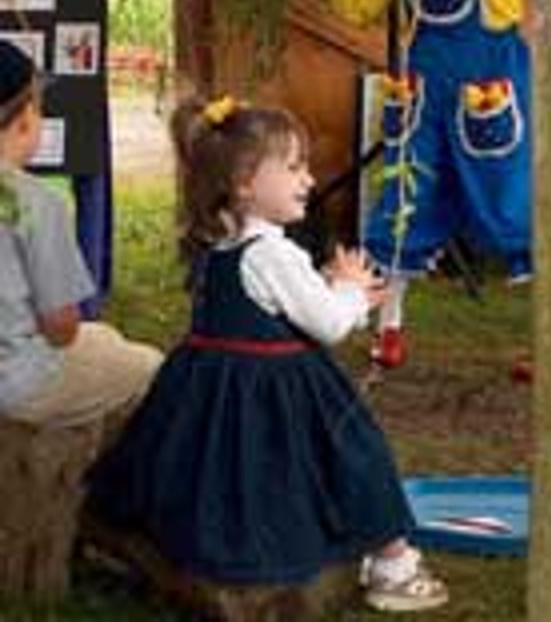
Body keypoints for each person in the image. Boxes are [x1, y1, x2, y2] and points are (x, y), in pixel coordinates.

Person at [86, 96, 448, 613]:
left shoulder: (220, 244)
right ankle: (393, 563)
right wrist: (348, 291)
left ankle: (166, 543)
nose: (308, 177)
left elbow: (269, 306)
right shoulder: (274, 252)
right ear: (244, 182)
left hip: (213, 389)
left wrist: (325, 286)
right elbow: (326, 324)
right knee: (356, 455)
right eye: (294, 165)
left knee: (221, 468)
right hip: (280, 390)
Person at [294, 0, 551, 369]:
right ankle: (389, 333)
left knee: (516, 211)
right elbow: (360, 4)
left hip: (489, 87)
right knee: (403, 202)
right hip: (424, 90)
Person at [0, 39, 161, 427]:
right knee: (154, 368)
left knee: (103, 337)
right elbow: (62, 328)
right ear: (26, 119)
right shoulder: (35, 203)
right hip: (20, 380)